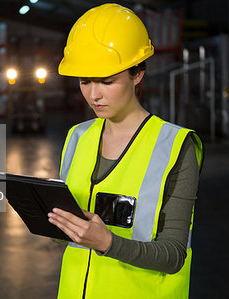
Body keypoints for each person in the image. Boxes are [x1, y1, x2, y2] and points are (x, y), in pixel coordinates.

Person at [47, 3, 204, 298]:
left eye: (107, 81)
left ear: (138, 74)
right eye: (85, 81)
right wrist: (51, 219)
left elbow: (173, 255)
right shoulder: (78, 137)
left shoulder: (174, 147)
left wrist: (107, 243)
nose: (94, 94)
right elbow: (66, 236)